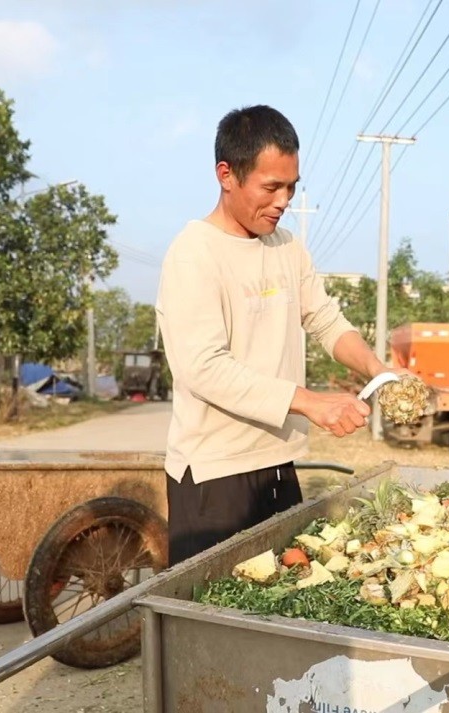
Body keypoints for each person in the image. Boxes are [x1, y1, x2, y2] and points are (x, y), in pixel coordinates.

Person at [156, 104, 397, 565]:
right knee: (212, 623)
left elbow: (325, 319)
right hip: (214, 477)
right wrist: (312, 402)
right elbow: (203, 368)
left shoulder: (287, 247)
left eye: (291, 187)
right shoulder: (193, 254)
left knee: (279, 612)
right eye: (271, 187)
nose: (284, 200)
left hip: (278, 465)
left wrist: (378, 371)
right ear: (226, 175)